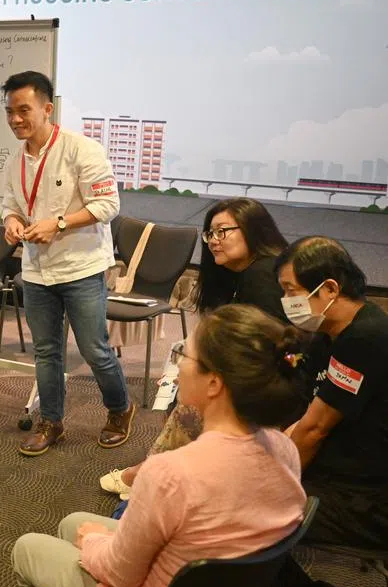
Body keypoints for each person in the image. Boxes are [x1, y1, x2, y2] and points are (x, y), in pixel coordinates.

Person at [13, 303, 309, 587]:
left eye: (184, 355)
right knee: (72, 523)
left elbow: (120, 576)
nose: (178, 364)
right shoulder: (284, 449)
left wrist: (92, 543)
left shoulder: (172, 473)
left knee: (27, 546)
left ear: (214, 383)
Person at [99, 197, 289, 498]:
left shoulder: (262, 275)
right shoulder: (238, 274)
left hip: (273, 381)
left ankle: (150, 475)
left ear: (253, 229)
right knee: (185, 386)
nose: (214, 240)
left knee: (191, 404)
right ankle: (164, 471)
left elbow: (261, 350)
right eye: (210, 233)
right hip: (252, 373)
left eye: (223, 231)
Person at [0, 71, 131, 456]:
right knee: (46, 351)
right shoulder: (14, 161)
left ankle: (120, 409)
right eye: (9, 112)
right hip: (37, 271)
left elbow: (108, 205)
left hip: (81, 268)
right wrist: (11, 222)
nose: (15, 119)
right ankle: (51, 422)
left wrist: (58, 224)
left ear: (47, 109)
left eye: (23, 110)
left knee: (94, 350)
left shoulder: (81, 149)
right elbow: (10, 204)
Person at [271, 237, 388, 587]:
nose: (286, 300)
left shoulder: (366, 338)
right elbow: (304, 408)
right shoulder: (330, 335)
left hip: (367, 499)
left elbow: (314, 430)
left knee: (241, 501)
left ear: (330, 289)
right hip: (340, 472)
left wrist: (268, 478)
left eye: (291, 290)